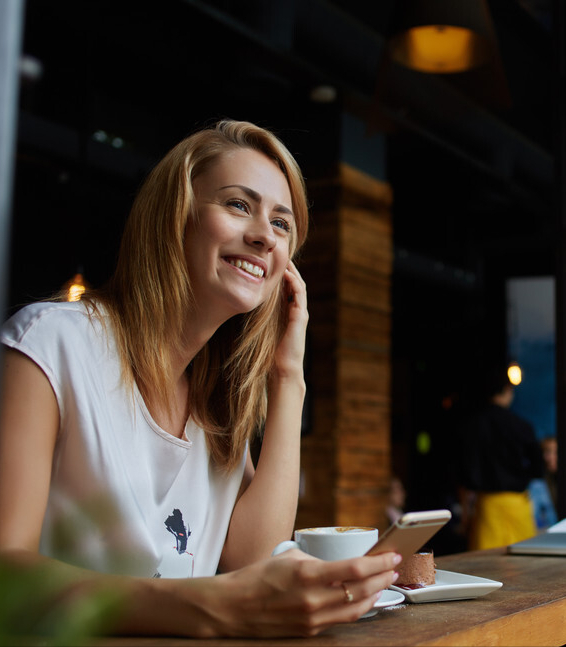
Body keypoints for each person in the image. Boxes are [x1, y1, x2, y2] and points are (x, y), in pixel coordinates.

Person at [0, 120, 400, 638]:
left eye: (281, 224)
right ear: (176, 217)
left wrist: (288, 377)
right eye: (238, 205)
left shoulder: (218, 406)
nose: (263, 235)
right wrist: (209, 606)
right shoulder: (52, 344)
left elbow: (252, 564)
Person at [458, 367, 545, 550]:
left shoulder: (474, 424)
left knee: (485, 568)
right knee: (524, 563)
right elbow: (539, 468)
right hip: (518, 504)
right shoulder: (521, 425)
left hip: (488, 506)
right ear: (507, 390)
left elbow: (466, 471)